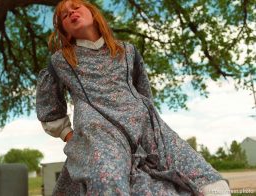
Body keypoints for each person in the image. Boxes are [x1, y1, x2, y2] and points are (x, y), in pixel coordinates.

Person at [36, 0, 231, 195]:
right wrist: (70, 136)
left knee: (207, 180)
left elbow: (143, 90)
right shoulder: (62, 60)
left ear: (93, 13)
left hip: (145, 128)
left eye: (76, 7)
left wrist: (145, 119)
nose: (71, 13)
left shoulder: (127, 51)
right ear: (66, 31)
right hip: (99, 130)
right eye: (64, 15)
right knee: (107, 178)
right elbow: (49, 106)